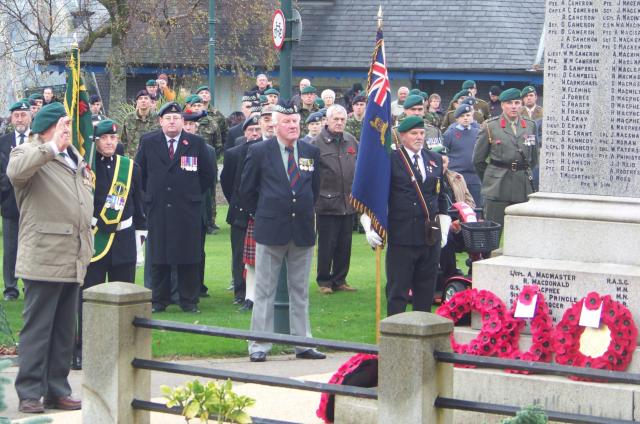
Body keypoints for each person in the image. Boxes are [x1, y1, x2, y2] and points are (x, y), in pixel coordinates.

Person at [8, 102, 93, 413]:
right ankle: (29, 392)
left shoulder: (74, 158)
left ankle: (57, 388)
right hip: (44, 256)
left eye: (68, 125)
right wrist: (49, 147)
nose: (67, 130)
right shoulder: (29, 152)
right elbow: (15, 172)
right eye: (62, 124)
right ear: (45, 128)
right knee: (38, 330)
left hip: (72, 256)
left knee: (63, 331)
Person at [240, 100, 325, 362]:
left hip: (301, 230)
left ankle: (303, 343)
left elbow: (314, 189)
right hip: (271, 229)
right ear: (274, 126)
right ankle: (259, 345)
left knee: (300, 290)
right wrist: (267, 211)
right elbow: (246, 191)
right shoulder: (259, 152)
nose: (293, 126)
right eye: (287, 122)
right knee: (264, 290)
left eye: (296, 122)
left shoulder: (311, 152)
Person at [72, 119, 146, 370]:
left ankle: (124, 349)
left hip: (123, 238)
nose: (110, 142)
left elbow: (139, 203)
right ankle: (84, 348)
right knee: (89, 297)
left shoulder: (129, 167)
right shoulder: (85, 168)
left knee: (124, 296)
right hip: (94, 237)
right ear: (96, 140)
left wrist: (141, 239)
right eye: (105, 138)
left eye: (114, 138)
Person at [362, 116, 448, 316]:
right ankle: (396, 337)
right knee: (398, 291)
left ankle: (422, 337)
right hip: (402, 236)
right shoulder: (391, 160)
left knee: (425, 290)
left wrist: (443, 226)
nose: (419, 137)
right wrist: (370, 225)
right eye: (414, 134)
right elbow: (376, 196)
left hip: (429, 237)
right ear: (401, 136)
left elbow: (441, 196)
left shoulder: (434, 159)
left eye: (421, 133)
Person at [135, 102, 215, 313]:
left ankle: (189, 300)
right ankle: (159, 300)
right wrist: (147, 197)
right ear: (160, 121)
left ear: (183, 121)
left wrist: (191, 194)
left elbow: (207, 175)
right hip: (158, 207)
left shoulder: (196, 143)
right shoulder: (149, 141)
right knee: (158, 255)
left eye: (176, 118)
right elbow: (139, 174)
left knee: (189, 255)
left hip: (187, 209)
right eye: (168, 118)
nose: (172, 121)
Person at [473, 88, 539, 227]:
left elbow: (533, 158)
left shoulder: (530, 126)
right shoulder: (490, 126)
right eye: (509, 103)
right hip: (498, 186)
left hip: (522, 186)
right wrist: (492, 177)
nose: (514, 106)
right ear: (502, 105)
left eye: (517, 102)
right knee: (493, 231)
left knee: (522, 231)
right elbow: (478, 160)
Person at [311, 105, 358, 294]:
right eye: (336, 119)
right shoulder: (316, 143)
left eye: (342, 120)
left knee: (345, 243)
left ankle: (340, 279)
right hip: (326, 202)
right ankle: (324, 281)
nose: (339, 123)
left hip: (348, 202)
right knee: (327, 244)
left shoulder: (351, 141)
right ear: (327, 120)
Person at [221, 114, 262, 310]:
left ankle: (259, 293)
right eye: (251, 130)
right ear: (244, 133)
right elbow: (227, 183)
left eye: (258, 130)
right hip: (239, 212)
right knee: (239, 255)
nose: (255, 133)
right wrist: (237, 203)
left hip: (261, 213)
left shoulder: (267, 152)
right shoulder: (233, 154)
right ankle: (240, 292)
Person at [0, 100, 31, 301]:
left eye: (23, 115)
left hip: (34, 202)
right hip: (10, 202)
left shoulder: (38, 140)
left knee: (32, 248)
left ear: (30, 117)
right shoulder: (3, 141)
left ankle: (31, 285)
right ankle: (11, 288)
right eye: (16, 115)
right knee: (11, 249)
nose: (19, 119)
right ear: (11, 118)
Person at [442, 103, 483, 207]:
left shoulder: (478, 133)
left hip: (474, 177)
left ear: (472, 117)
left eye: (468, 115)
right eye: (462, 116)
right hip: (457, 178)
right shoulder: (449, 134)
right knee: (458, 210)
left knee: (475, 209)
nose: (465, 118)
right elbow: (444, 155)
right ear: (457, 119)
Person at [120, 89, 159, 158]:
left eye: (146, 98)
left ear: (150, 102)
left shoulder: (158, 119)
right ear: (137, 102)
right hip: (132, 158)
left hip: (152, 158)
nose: (143, 100)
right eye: (140, 99)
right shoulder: (129, 118)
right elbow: (123, 140)